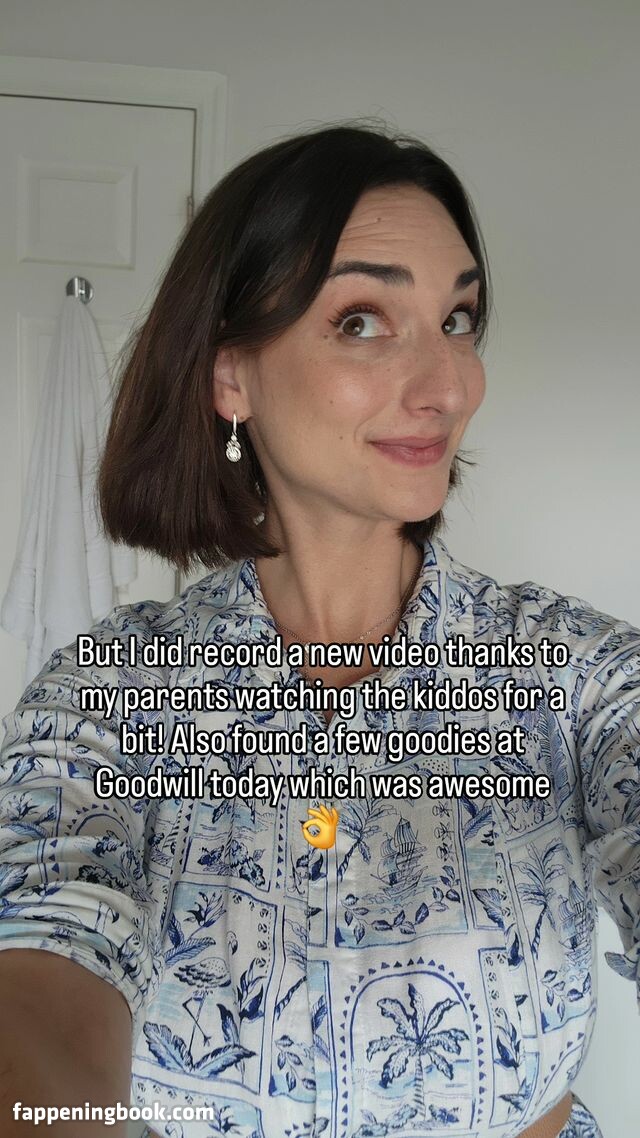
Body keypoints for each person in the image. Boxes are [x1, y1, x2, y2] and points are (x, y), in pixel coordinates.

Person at [0, 121, 637, 1138]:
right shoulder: (112, 692)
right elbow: (39, 956)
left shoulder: (574, 676)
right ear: (231, 376)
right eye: (362, 321)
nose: (451, 384)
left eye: (457, 318)